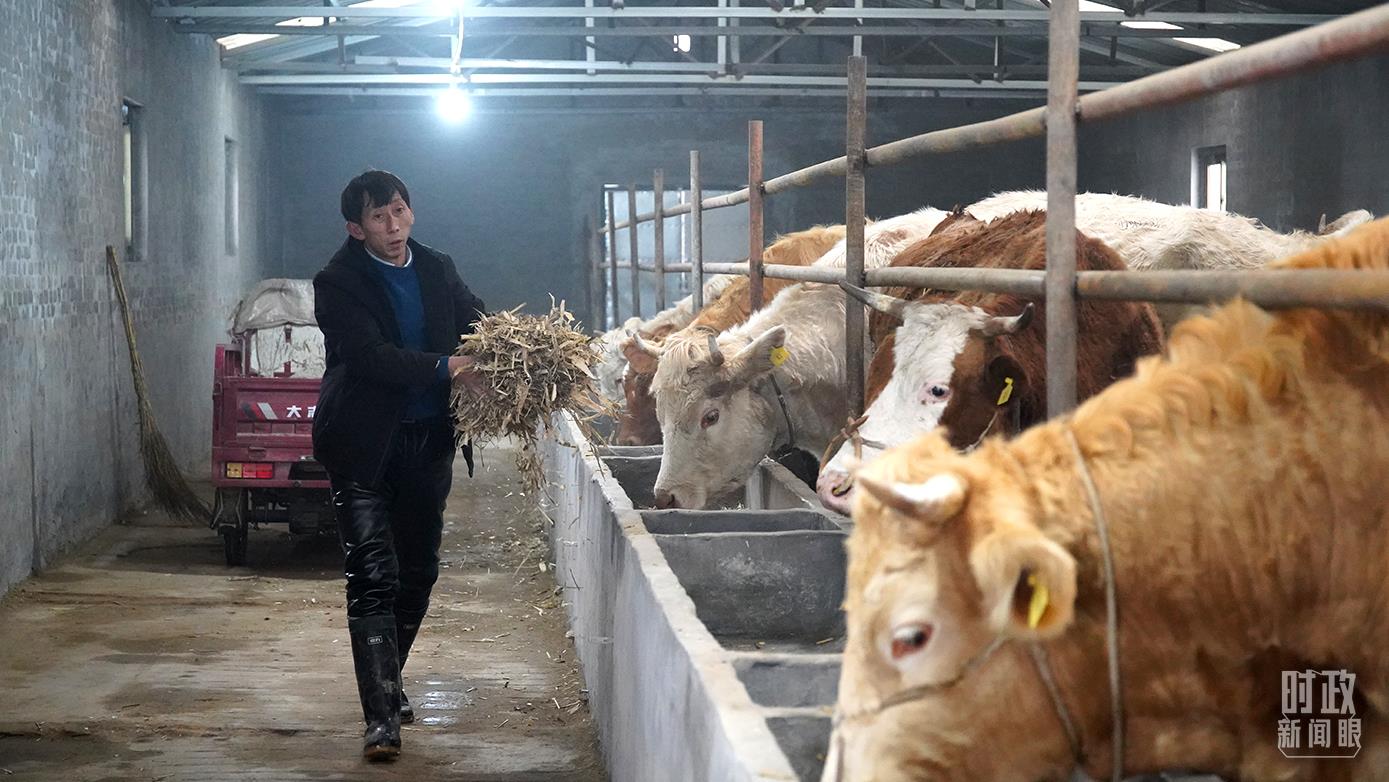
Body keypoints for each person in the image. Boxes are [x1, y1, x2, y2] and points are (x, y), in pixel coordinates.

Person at [311, 169, 488, 761]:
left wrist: (507, 348)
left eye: (399, 211)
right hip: (362, 445)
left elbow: (476, 321)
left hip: (427, 441)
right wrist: (447, 367)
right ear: (355, 229)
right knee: (372, 576)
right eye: (378, 217)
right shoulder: (338, 282)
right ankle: (381, 719)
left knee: (418, 572)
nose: (393, 225)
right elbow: (368, 357)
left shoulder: (436, 267)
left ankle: (389, 679)